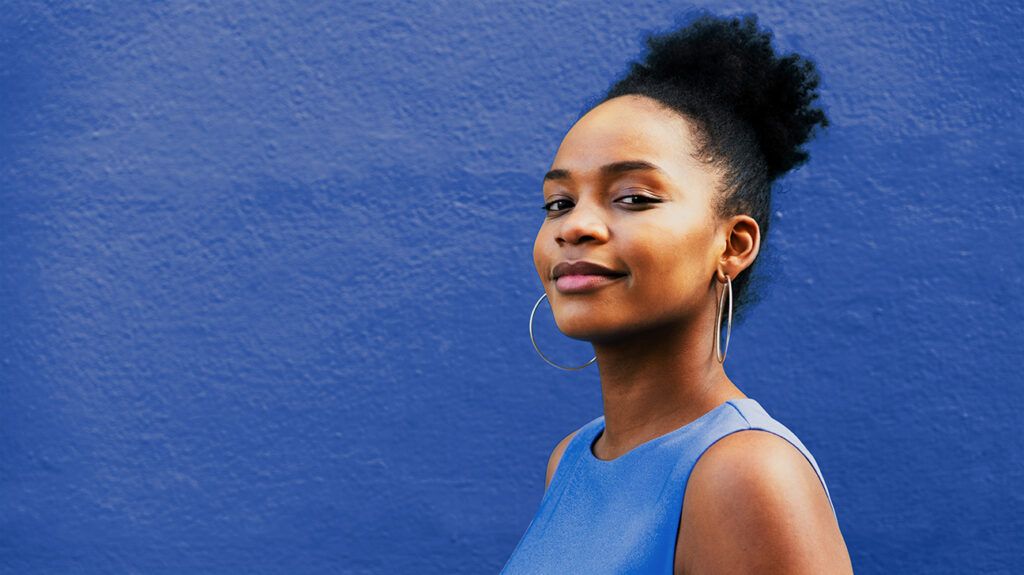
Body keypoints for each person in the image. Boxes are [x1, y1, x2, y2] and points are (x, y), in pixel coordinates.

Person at [501, 12, 854, 575]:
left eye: (635, 197)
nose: (574, 227)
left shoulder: (745, 472)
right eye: (558, 203)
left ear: (733, 244)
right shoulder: (572, 459)